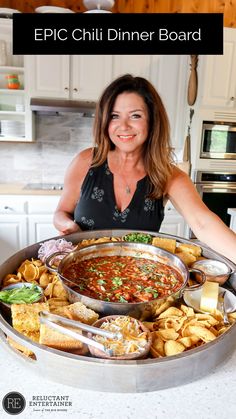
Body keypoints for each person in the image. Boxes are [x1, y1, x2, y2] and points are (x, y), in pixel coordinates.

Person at [53, 74, 236, 264]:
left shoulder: (168, 175)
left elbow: (203, 223)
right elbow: (61, 213)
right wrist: (68, 226)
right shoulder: (85, 161)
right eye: (115, 116)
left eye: (135, 115)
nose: (123, 126)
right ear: (105, 122)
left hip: (140, 282)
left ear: (152, 121)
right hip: (80, 274)